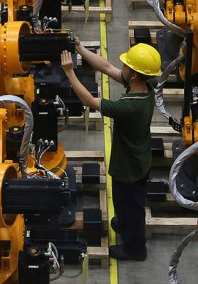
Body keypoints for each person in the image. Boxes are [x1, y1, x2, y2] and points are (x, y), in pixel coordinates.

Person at [60, 37, 161, 261]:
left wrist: (69, 73)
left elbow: (91, 102)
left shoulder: (130, 106)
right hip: (139, 156)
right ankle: (124, 223)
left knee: (130, 206)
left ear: (134, 75)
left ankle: (135, 249)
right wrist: (79, 47)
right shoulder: (144, 87)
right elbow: (106, 67)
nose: (122, 66)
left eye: (126, 65)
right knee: (127, 204)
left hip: (129, 166)